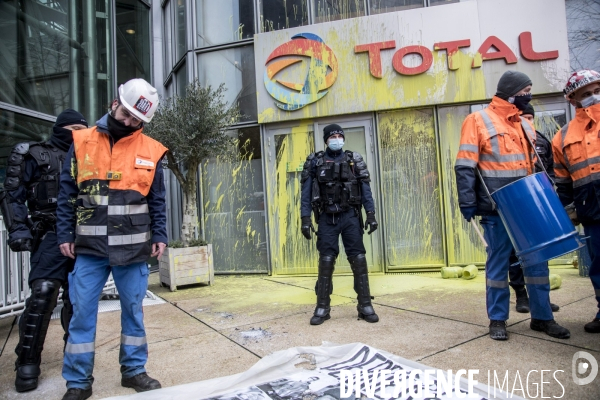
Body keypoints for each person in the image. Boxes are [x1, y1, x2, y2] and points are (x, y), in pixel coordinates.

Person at [56, 78, 168, 400]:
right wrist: (65, 233)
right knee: (82, 313)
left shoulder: (150, 149)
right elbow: (67, 194)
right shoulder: (82, 142)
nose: (130, 123)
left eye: (138, 120)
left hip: (133, 248)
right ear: (113, 103)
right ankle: (78, 382)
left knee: (133, 310)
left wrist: (159, 233)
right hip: (90, 249)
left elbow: (156, 199)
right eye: (127, 114)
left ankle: (133, 371)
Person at [455, 70, 570, 341]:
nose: (528, 96)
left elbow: (539, 163)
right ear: (511, 92)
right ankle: (497, 319)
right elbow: (465, 164)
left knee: (538, 264)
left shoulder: (524, 124)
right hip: (498, 207)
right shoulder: (477, 120)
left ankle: (542, 317)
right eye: (525, 91)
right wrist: (468, 201)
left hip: (529, 205)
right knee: (498, 265)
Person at [0, 109, 88, 392]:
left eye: (82, 129)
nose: (77, 134)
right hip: (49, 233)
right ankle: (27, 360)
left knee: (80, 299)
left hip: (86, 235)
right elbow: (12, 195)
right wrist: (19, 230)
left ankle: (75, 354)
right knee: (43, 295)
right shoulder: (34, 154)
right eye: (72, 128)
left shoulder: (92, 156)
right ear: (59, 128)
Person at [300, 124, 379, 325]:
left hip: (350, 216)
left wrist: (370, 214)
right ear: (326, 140)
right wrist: (305, 219)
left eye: (339, 135)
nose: (336, 139)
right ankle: (322, 307)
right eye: (332, 136)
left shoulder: (354, 159)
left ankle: (364, 305)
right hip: (327, 218)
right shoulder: (315, 162)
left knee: (358, 258)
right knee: (326, 261)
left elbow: (365, 190)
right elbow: (306, 194)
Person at [552, 69, 600, 334]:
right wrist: (569, 213)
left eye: (597, 90)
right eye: (586, 94)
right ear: (573, 100)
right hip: (591, 209)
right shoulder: (563, 136)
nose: (593, 97)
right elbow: (563, 182)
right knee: (599, 265)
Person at [508, 104, 559, 314]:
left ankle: (541, 299)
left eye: (530, 117)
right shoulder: (508, 140)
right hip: (516, 203)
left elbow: (551, 171)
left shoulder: (541, 141)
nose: (527, 121)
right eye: (523, 117)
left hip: (538, 203)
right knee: (515, 253)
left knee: (540, 253)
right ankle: (521, 295)